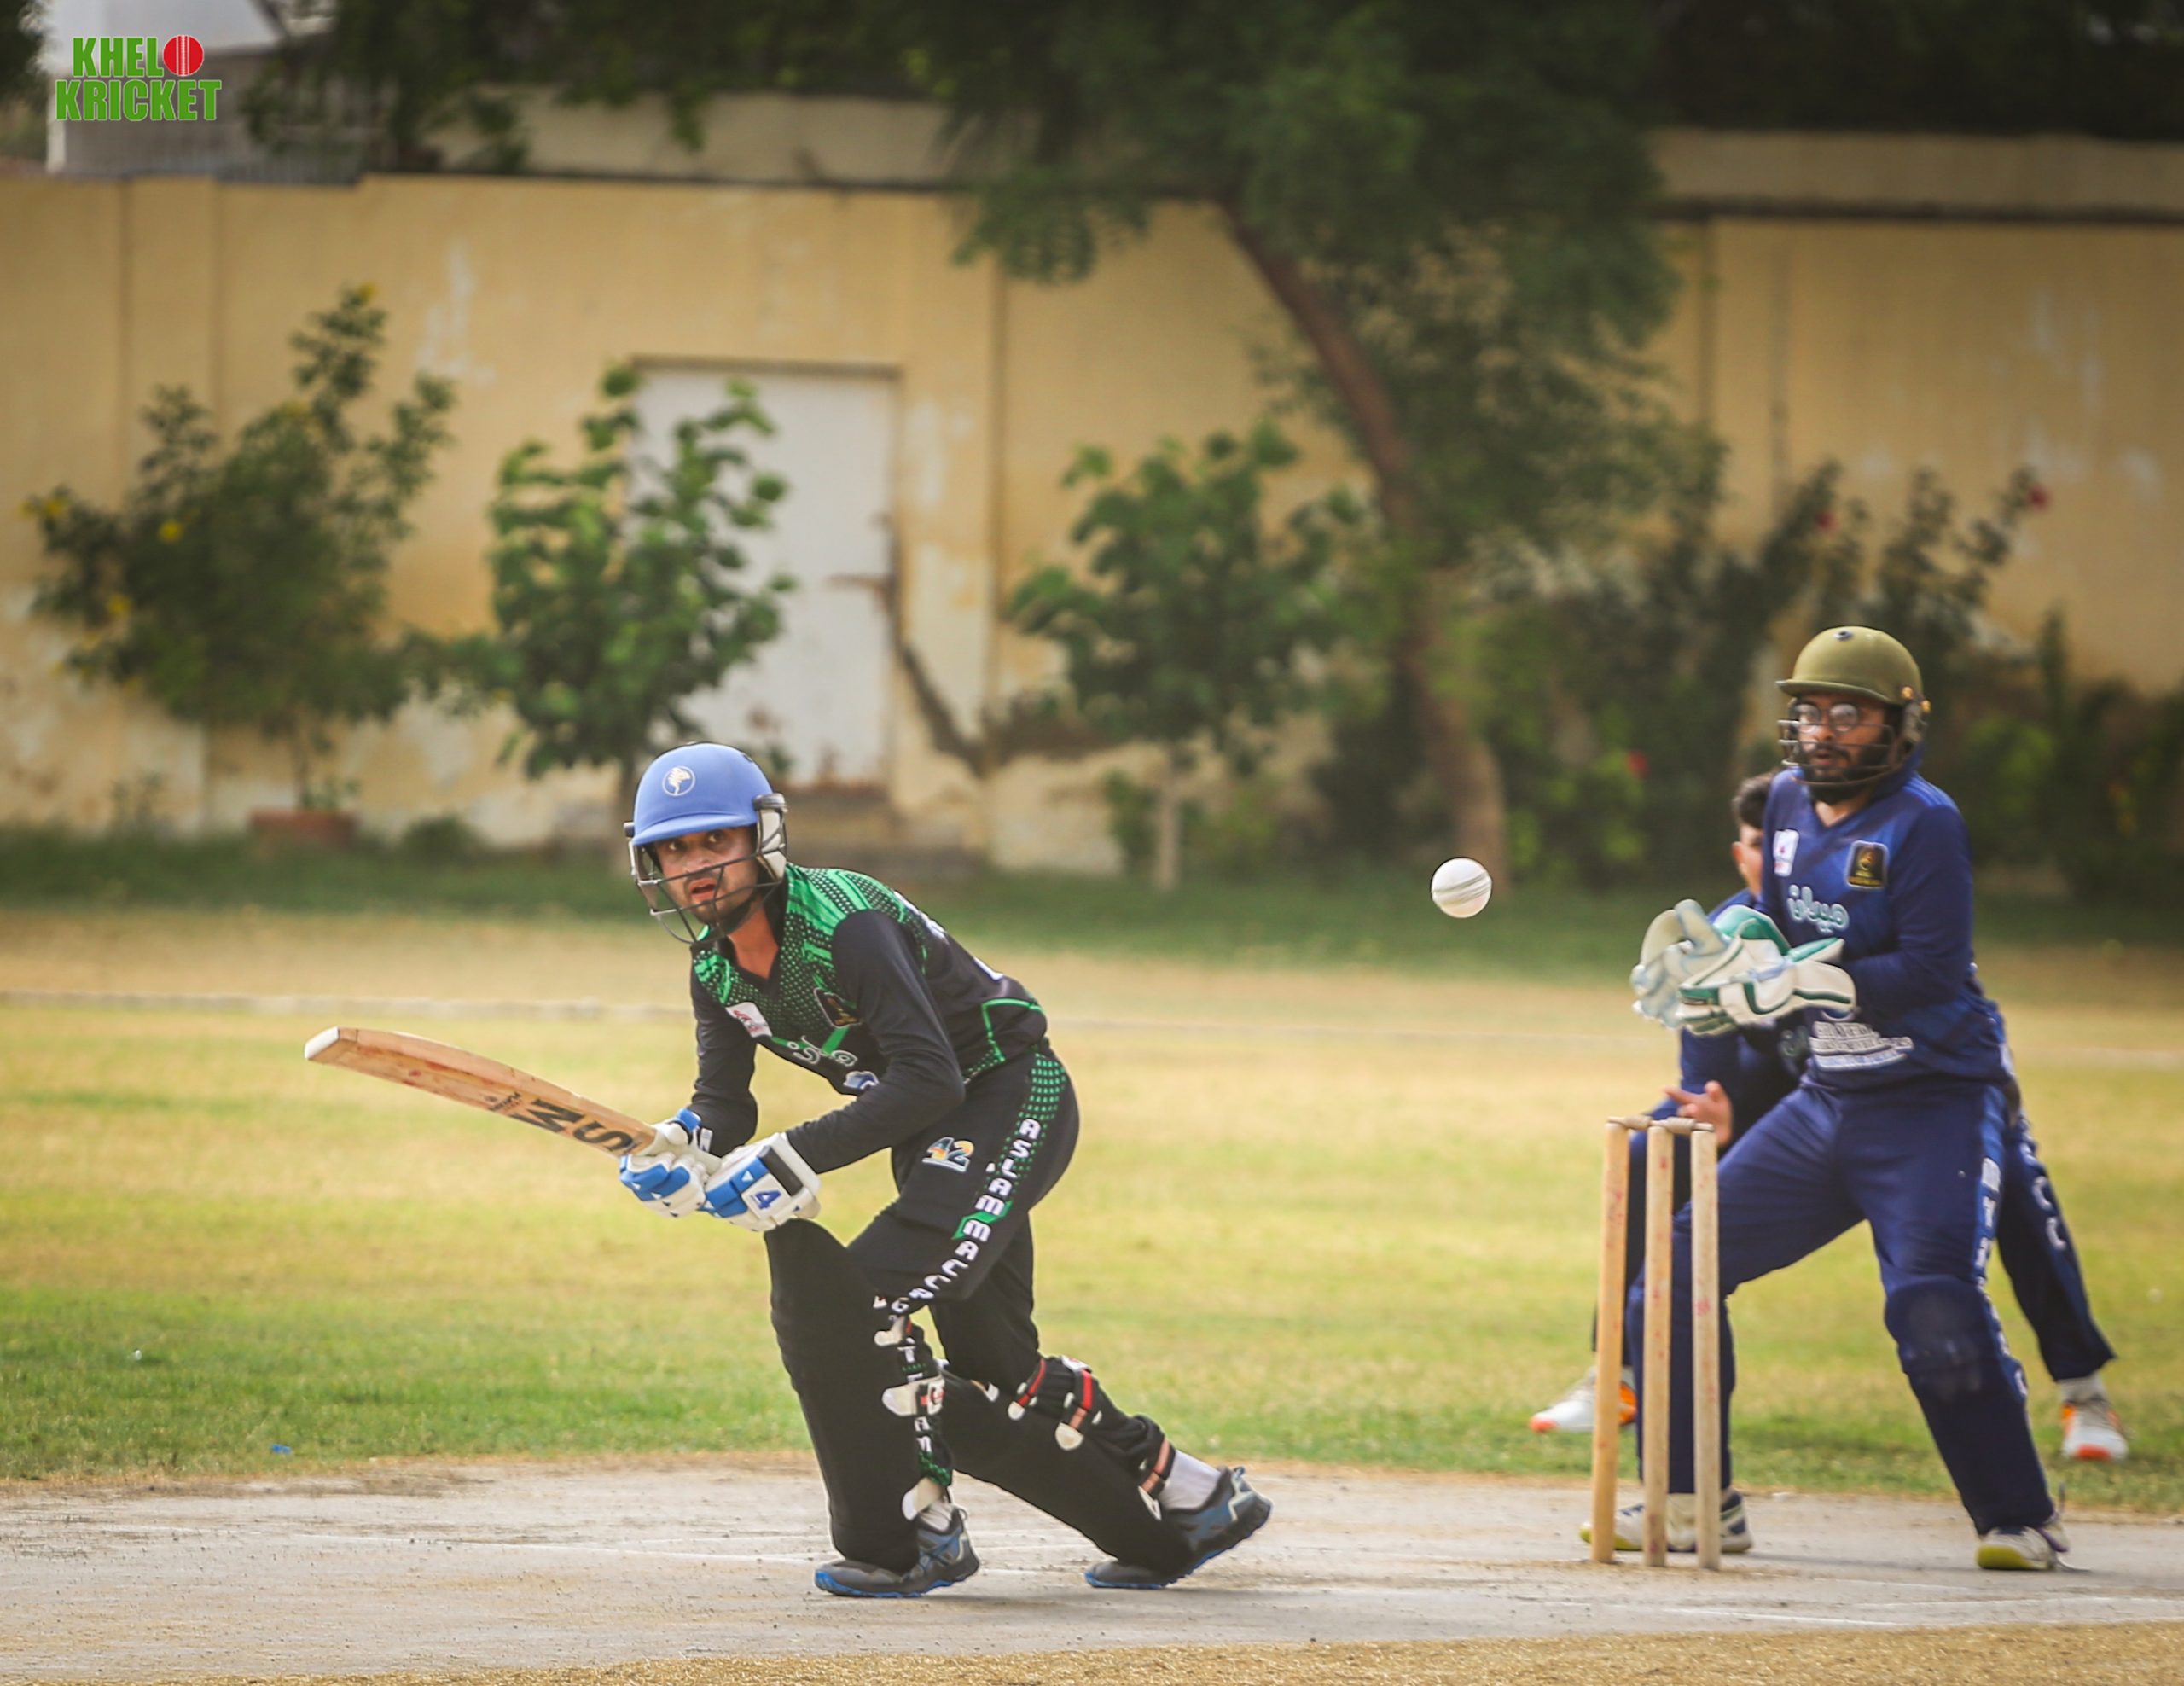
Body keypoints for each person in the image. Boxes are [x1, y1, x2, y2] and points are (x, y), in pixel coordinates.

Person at [608, 742, 1271, 1597]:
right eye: (674, 850)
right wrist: (679, 1142)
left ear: (762, 837)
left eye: (715, 841)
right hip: (930, 1129)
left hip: (1008, 1091)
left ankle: (924, 1525)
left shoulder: (844, 925)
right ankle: (1194, 1489)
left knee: (863, 1300)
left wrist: (794, 1153)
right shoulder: (713, 968)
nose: (697, 866)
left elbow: (931, 1076)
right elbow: (723, 1104)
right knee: (996, 1361)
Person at [1601, 627, 2071, 1571]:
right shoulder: (1783, 800)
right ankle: (1694, 1498)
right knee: (1675, 1272)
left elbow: (1933, 968)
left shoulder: (1923, 822)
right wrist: (1731, 967)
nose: (1823, 730)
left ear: (1900, 724)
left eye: (1848, 713)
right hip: (1828, 1099)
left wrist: (1819, 982)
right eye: (1810, 711)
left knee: (1931, 1302)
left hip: (1935, 1100)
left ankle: (2018, 1517)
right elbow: (1778, 932)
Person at [1533, 776, 2129, 1466]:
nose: (1773, 860)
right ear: (1743, 854)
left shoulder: (1863, 912)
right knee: (1651, 1156)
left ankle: (2083, 1391)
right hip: (1785, 1103)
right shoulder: (1724, 931)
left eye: (1782, 846)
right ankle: (1622, 1373)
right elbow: (1706, 1068)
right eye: (1758, 847)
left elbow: (1933, 985)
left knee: (2016, 1183)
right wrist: (1711, 1109)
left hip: (1917, 1095)